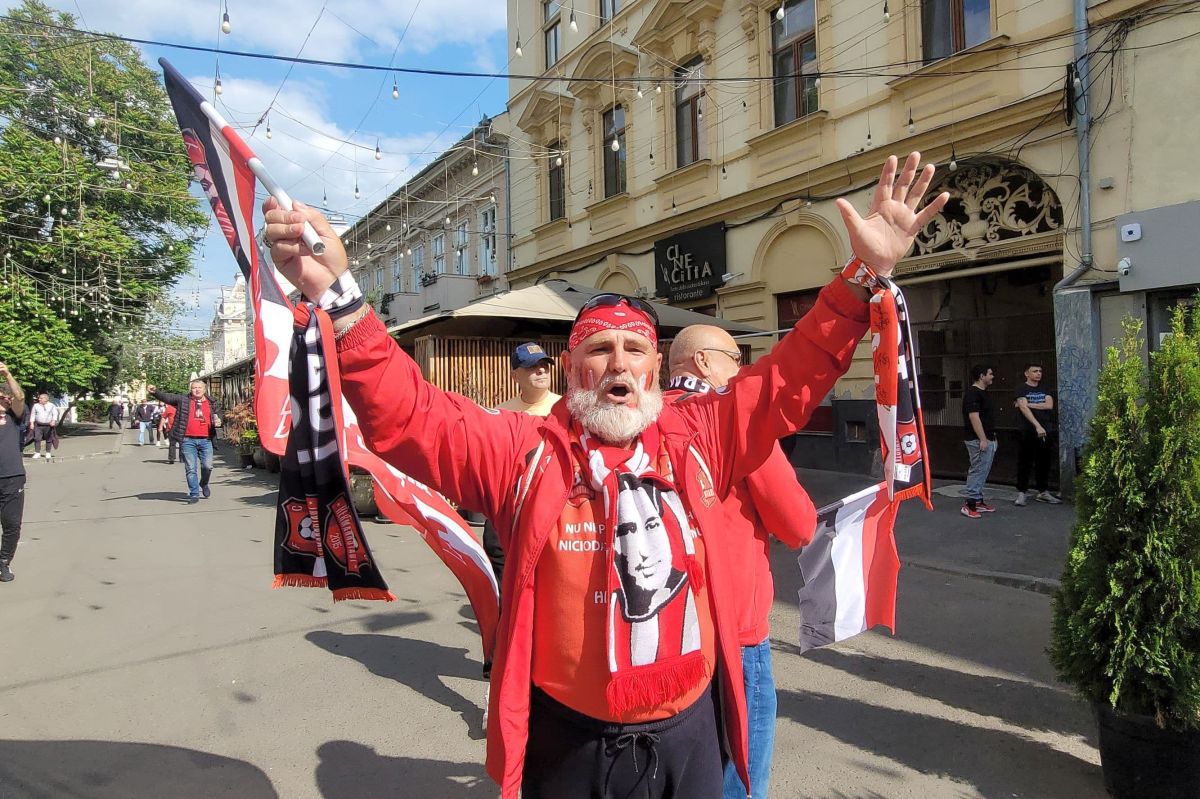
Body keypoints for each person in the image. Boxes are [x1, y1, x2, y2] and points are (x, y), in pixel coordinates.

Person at [262, 152, 948, 799]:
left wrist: (862, 275)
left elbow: (789, 377)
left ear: (654, 368)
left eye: (634, 349)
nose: (619, 363)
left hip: (689, 732)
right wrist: (342, 297)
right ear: (572, 369)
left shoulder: (703, 432)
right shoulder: (520, 450)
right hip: (569, 741)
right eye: (599, 349)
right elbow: (409, 415)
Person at [666, 325, 815, 799]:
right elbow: (798, 524)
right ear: (706, 362)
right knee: (740, 775)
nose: (744, 367)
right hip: (735, 633)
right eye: (737, 356)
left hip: (661, 633)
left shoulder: (642, 421)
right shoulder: (733, 422)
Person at [483, 343, 562, 589]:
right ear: (515, 375)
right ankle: (506, 612)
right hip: (510, 496)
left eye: (544, 366)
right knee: (495, 547)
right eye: (531, 367)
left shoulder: (565, 410)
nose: (541, 372)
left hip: (552, 497)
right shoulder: (501, 413)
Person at [149, 380, 223, 504]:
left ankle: (203, 483)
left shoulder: (212, 403)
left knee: (207, 466)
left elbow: (219, 414)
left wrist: (220, 420)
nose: (197, 390)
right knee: (191, 468)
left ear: (205, 390)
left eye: (200, 388)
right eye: (194, 388)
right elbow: (168, 397)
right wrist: (155, 392)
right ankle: (194, 494)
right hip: (188, 440)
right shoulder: (183, 400)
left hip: (206, 439)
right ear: (191, 389)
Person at [1013, 362, 1061, 506]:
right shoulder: (1021, 389)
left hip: (1046, 430)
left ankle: (1043, 491)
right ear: (1027, 374)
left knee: (1044, 462)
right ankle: (1022, 493)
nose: (1038, 373)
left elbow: (1049, 405)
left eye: (1040, 371)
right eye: (1035, 371)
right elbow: (1023, 408)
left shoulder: (1045, 388)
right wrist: (1037, 425)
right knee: (1025, 462)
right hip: (1027, 430)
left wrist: (1028, 404)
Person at [0, 363, 27, 582]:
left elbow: (20, 398)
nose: (7, 399)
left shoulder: (15, 417)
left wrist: (8, 374)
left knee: (11, 525)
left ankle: (4, 562)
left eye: (8, 397)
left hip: (12, 477)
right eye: (2, 396)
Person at [960, 364, 997, 518]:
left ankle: (978, 500)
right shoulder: (973, 394)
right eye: (990, 373)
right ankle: (970, 504)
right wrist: (982, 438)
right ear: (982, 376)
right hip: (978, 440)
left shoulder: (984, 393)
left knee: (983, 470)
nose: (992, 376)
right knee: (977, 470)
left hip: (988, 438)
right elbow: (974, 417)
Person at [29, 392, 59, 460]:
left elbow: (55, 414)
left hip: (48, 425)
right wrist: (31, 423)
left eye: (40, 398)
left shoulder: (51, 405)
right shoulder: (36, 405)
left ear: (45, 399)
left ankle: (48, 453)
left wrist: (53, 420)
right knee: (37, 438)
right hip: (38, 425)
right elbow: (33, 414)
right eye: (39, 398)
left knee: (49, 439)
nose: (39, 399)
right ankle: (37, 453)